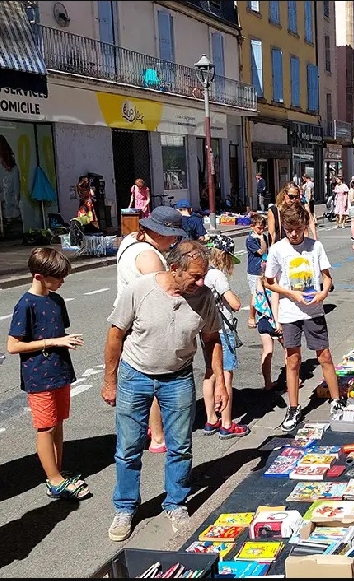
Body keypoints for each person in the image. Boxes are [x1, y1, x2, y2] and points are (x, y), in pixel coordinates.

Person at [102, 240, 227, 542]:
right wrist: (110, 379)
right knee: (129, 447)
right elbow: (115, 335)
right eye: (195, 276)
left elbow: (212, 340)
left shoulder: (204, 297)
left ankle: (175, 502)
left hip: (178, 377)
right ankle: (126, 507)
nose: (201, 282)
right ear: (174, 269)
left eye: (204, 275)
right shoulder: (140, 290)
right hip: (136, 375)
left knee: (180, 446)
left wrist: (219, 380)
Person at [7, 247, 89, 500]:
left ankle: (57, 472)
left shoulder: (56, 300)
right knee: (45, 426)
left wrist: (64, 339)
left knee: (58, 423)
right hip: (38, 375)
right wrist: (53, 343)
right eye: (58, 277)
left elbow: (57, 332)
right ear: (39, 276)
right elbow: (13, 346)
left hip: (60, 370)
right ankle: (54, 480)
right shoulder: (26, 304)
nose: (62, 282)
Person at [263, 206, 345, 432]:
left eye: (298, 229)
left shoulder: (315, 246)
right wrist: (290, 294)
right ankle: (294, 406)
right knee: (293, 359)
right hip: (290, 312)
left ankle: (336, 400)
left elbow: (327, 277)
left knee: (325, 356)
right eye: (289, 229)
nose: (293, 234)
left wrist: (323, 293)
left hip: (314, 310)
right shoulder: (278, 249)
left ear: (305, 227)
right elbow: (268, 282)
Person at [114, 205, 187, 454]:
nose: (175, 240)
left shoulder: (131, 240)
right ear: (157, 232)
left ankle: (145, 428)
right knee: (154, 378)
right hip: (142, 322)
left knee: (138, 377)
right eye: (172, 235)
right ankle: (157, 435)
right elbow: (161, 292)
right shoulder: (149, 257)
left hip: (127, 317)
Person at [202, 234, 248, 439]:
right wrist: (233, 299)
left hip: (206, 329)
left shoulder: (202, 272)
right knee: (226, 374)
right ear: (223, 255)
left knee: (210, 373)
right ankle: (227, 422)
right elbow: (235, 303)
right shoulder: (217, 275)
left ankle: (211, 418)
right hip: (222, 329)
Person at [253, 255, 282, 391]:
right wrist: (277, 322)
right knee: (289, 350)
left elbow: (254, 301)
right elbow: (277, 302)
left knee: (267, 351)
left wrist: (251, 317)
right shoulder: (276, 281)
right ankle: (293, 378)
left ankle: (268, 383)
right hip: (277, 319)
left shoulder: (259, 280)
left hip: (263, 318)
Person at [245, 213, 268, 329]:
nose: (261, 230)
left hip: (264, 268)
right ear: (252, 226)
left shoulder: (263, 237)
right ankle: (251, 317)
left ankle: (263, 314)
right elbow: (262, 252)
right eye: (259, 227)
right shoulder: (250, 240)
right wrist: (261, 240)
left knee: (264, 292)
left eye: (263, 227)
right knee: (255, 293)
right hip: (254, 270)